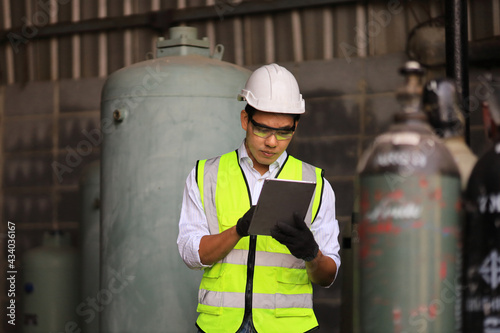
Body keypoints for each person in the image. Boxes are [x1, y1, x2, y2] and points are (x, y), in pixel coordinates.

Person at [177, 63, 341, 333]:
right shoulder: (204, 175)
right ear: (245, 120)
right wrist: (239, 230)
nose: (272, 142)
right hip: (220, 327)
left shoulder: (316, 183)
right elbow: (191, 255)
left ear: (296, 126)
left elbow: (327, 276)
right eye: (263, 129)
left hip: (289, 328)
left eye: (284, 131)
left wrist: (311, 253)